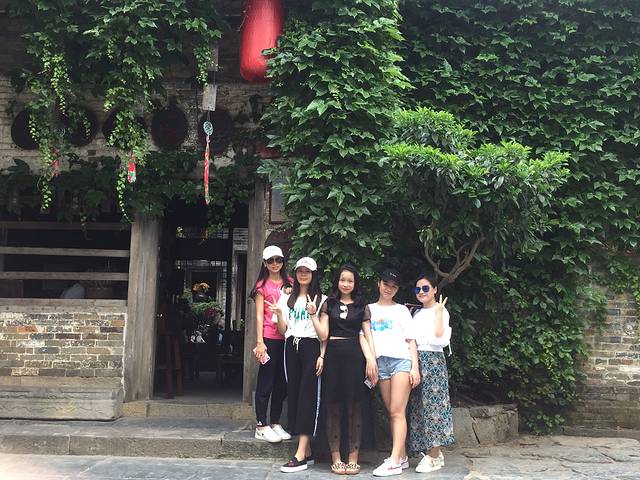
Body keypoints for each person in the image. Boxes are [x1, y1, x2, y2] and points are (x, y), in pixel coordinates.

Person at [316, 264, 378, 475]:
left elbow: (367, 335)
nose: (346, 284)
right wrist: (321, 356)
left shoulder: (362, 306)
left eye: (350, 280)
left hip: (355, 357)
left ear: (355, 283)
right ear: (337, 281)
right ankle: (336, 457)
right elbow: (323, 335)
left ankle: (353, 457)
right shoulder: (329, 303)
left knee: (355, 406)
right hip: (333, 356)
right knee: (333, 405)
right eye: (343, 280)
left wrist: (372, 359)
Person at [268, 256, 327, 473]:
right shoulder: (286, 298)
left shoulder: (322, 299)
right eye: (300, 271)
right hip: (291, 346)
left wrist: (322, 355)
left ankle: (300, 454)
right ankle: (307, 451)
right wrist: (279, 314)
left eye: (307, 271)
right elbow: (283, 330)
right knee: (294, 393)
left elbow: (324, 335)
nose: (303, 274)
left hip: (311, 346)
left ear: (314, 274)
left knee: (308, 396)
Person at [366, 268, 420, 477]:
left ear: (397, 289)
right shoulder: (369, 309)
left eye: (393, 286)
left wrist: (415, 367)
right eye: (386, 284)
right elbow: (364, 336)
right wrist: (371, 360)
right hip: (381, 363)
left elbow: (411, 340)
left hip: (401, 361)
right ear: (378, 284)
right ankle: (402, 456)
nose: (389, 289)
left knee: (397, 411)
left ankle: (395, 461)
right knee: (392, 411)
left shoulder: (401, 310)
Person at [407, 274, 454, 473]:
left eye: (425, 288)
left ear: (434, 289)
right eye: (418, 289)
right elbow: (411, 339)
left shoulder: (441, 310)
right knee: (418, 406)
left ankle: (434, 456)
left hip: (434, 361)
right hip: (417, 360)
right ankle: (432, 453)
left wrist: (439, 314)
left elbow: (440, 340)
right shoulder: (416, 313)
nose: (421, 292)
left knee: (435, 407)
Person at [250, 245, 291, 443]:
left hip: (288, 337)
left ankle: (275, 422)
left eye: (278, 260)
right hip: (269, 338)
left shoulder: (290, 283)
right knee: (266, 382)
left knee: (282, 382)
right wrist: (260, 342)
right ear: (265, 263)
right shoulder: (262, 286)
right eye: (271, 261)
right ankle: (261, 425)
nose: (275, 264)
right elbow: (259, 315)